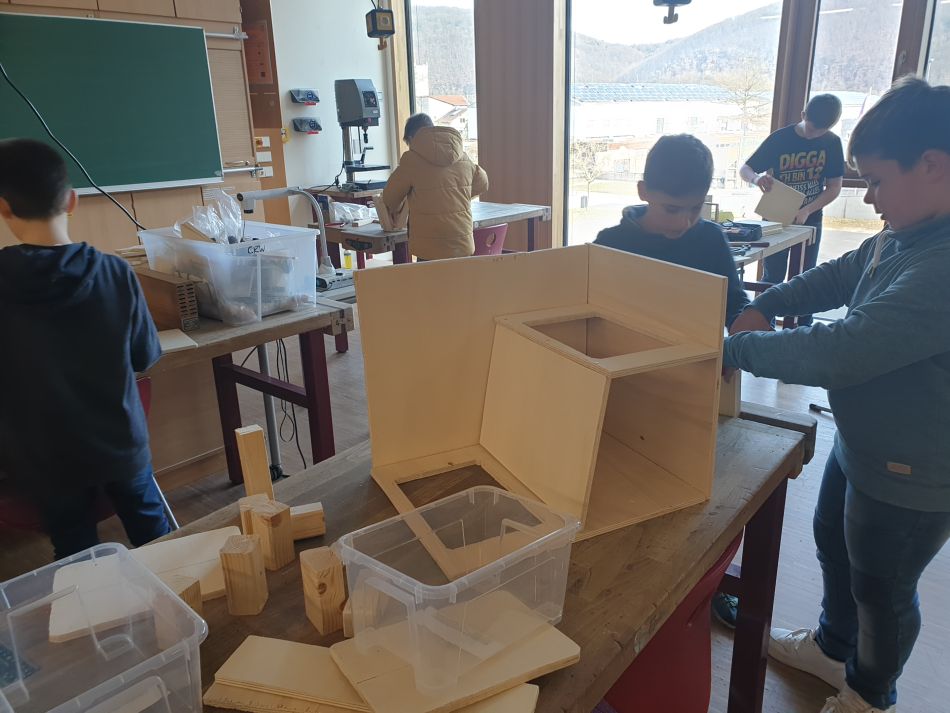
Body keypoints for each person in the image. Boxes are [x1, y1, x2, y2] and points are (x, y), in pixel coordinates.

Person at [723, 76, 950, 713]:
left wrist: (734, 350)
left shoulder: (943, 265)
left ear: (932, 165)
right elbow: (842, 273)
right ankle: (832, 646)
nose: (867, 197)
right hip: (866, 441)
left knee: (883, 586)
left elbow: (845, 349)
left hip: (916, 468)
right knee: (833, 541)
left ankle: (870, 693)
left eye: (875, 181)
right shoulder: (906, 232)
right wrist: (769, 301)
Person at [0, 138, 169, 560]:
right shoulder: (115, 272)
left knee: (76, 552)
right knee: (160, 542)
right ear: (72, 201)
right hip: (120, 444)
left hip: (44, 458)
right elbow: (144, 356)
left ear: (3, 208)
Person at [594, 133, 749, 327]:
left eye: (695, 208)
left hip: (694, 345)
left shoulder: (711, 239)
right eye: (671, 209)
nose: (684, 223)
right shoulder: (609, 244)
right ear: (643, 191)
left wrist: (749, 320)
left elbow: (734, 304)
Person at [740, 93, 845, 326]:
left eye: (820, 131)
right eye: (811, 128)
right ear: (803, 115)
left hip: (811, 218)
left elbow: (834, 187)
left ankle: (802, 329)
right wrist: (757, 179)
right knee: (772, 276)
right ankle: (763, 327)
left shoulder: (832, 142)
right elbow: (745, 169)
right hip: (776, 216)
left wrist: (808, 209)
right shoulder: (780, 139)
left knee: (807, 277)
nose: (813, 135)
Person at [381, 113, 489, 261]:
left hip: (429, 248)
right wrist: (458, 193)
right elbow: (483, 183)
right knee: (458, 277)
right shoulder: (462, 156)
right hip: (461, 243)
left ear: (412, 138)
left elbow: (390, 199)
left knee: (429, 277)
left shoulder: (411, 160)